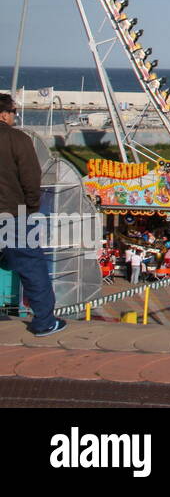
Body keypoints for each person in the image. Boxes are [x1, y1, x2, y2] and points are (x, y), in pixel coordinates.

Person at [0, 94, 65, 336]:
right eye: (13, 113)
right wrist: (31, 210)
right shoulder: (17, 139)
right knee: (31, 265)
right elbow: (31, 179)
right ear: (5, 114)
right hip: (14, 214)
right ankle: (44, 322)